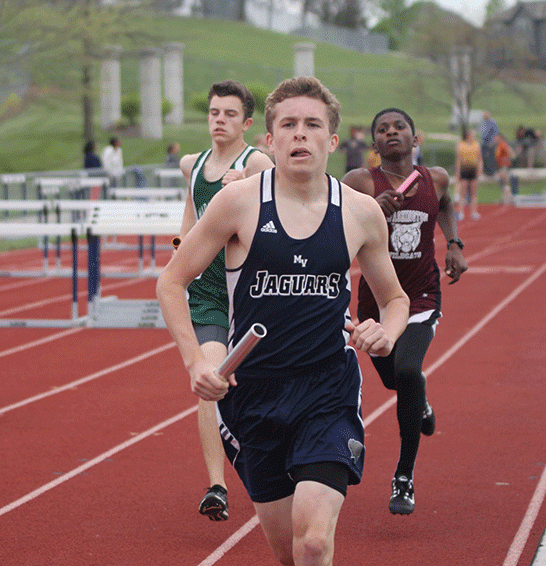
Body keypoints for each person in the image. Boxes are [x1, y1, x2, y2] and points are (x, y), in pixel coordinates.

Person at [158, 76, 409, 566]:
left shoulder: (359, 213)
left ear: (332, 141)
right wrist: (194, 362)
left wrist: (387, 330)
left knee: (313, 541)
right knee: (288, 553)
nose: (300, 134)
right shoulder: (237, 203)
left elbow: (395, 299)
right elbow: (171, 282)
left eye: (312, 125)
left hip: (326, 389)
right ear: (268, 141)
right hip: (253, 395)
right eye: (288, 125)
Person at [342, 108, 468, 516]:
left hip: (420, 297)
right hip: (375, 301)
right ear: (373, 142)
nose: (391, 132)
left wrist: (453, 244)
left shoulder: (436, 178)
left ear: (416, 139)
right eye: (382, 129)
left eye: (399, 128)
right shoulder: (360, 182)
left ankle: (404, 475)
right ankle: (422, 405)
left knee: (409, 372)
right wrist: (372, 209)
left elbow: (446, 205)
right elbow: (334, 221)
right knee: (395, 377)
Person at [175, 79, 274, 522]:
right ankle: (217, 486)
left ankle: (275, 468)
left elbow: (279, 211)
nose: (220, 120)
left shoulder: (256, 163)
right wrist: (182, 249)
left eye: (230, 114)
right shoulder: (191, 164)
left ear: (246, 123)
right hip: (210, 295)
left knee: (262, 388)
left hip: (252, 293)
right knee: (210, 380)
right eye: (215, 113)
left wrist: (249, 186)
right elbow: (191, 217)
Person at [454, 129, 481, 220]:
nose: (474, 137)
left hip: (473, 170)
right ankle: (461, 212)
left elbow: (480, 159)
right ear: (468, 136)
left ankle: (474, 212)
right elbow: (458, 160)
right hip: (464, 170)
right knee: (463, 192)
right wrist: (457, 172)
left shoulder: (476, 145)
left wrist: (479, 170)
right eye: (473, 136)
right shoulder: (461, 145)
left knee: (474, 193)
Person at [494, 134, 514, 204]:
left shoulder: (502, 144)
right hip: (501, 165)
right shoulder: (499, 145)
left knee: (504, 182)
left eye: (496, 138)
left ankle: (509, 198)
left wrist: (508, 158)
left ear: (500, 138)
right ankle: (505, 198)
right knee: (503, 182)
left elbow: (509, 151)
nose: (495, 139)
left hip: (504, 165)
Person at [479, 111, 499, 177]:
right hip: (484, 143)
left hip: (490, 143)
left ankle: (492, 172)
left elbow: (495, 133)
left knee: (491, 158)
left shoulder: (492, 123)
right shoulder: (483, 123)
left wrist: (493, 142)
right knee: (484, 157)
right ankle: (485, 172)